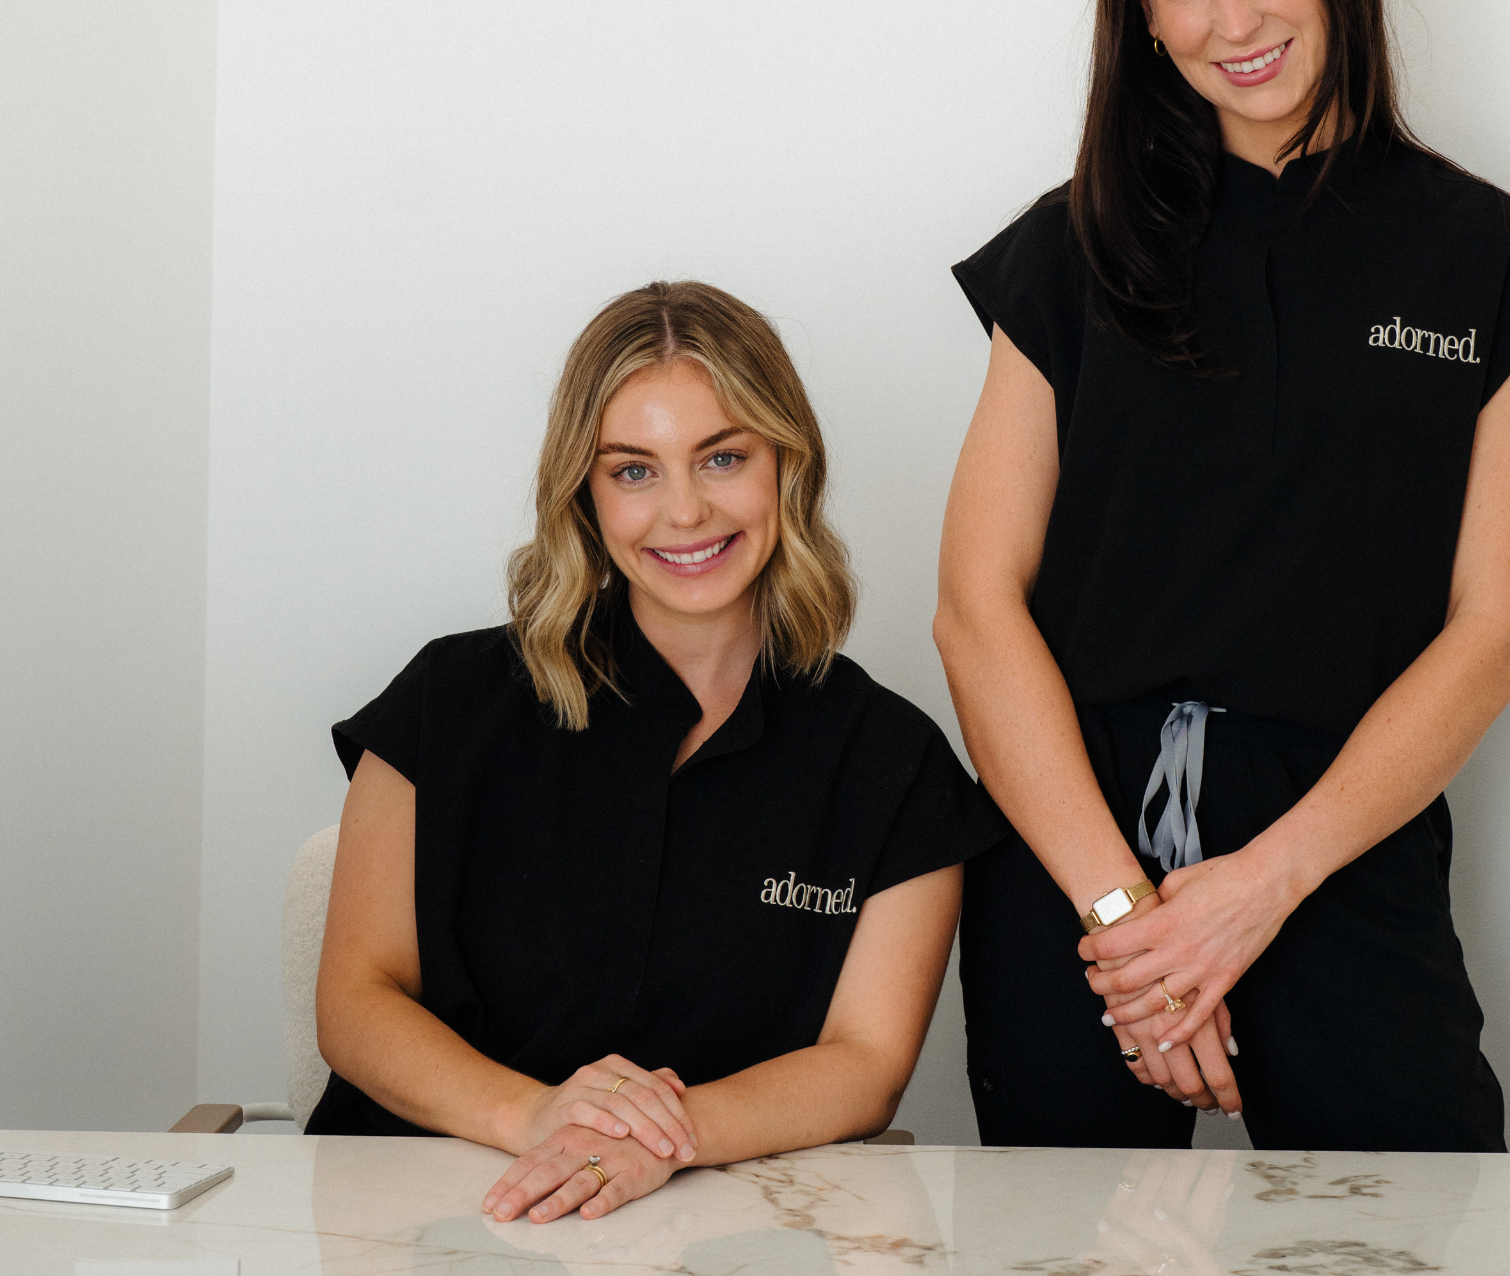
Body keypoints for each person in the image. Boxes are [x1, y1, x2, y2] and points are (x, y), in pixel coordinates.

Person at [935, 0, 1510, 1151]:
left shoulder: (1487, 262)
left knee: (1410, 1236)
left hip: (1339, 839)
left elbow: (1490, 635)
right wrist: (1132, 930)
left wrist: (1257, 889)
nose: (1232, 21)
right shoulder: (1065, 254)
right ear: (1144, 12)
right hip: (1073, 847)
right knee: (1079, 1254)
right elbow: (974, 611)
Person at [311, 281, 1004, 1223]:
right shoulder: (447, 701)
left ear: (786, 466)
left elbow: (866, 1066)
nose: (685, 511)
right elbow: (357, 1002)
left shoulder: (892, 763)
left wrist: (656, 1142)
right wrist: (541, 1116)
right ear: (585, 494)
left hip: (714, 1228)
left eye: (722, 457)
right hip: (412, 1215)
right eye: (633, 470)